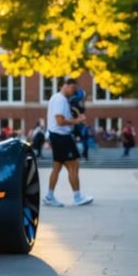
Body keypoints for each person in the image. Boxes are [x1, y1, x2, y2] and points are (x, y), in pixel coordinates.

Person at [43, 78, 93, 207]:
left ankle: (49, 196)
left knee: (57, 167)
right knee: (74, 165)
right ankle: (77, 197)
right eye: (72, 88)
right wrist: (76, 121)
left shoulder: (57, 98)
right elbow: (60, 120)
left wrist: (76, 119)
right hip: (61, 136)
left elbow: (62, 118)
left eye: (75, 89)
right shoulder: (60, 99)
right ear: (64, 85)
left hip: (57, 135)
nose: (73, 91)